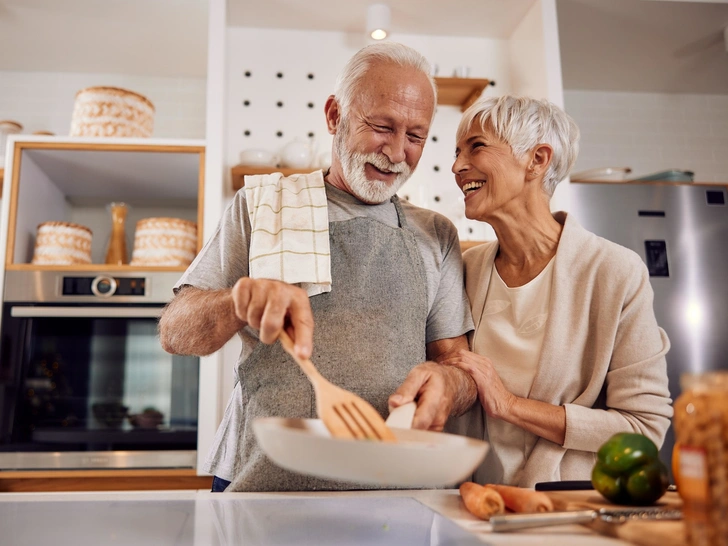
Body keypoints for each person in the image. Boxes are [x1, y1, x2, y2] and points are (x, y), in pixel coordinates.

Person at [158, 42, 477, 492]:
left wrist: (450, 382)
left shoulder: (436, 234)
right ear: (334, 116)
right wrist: (236, 302)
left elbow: (459, 367)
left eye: (416, 136)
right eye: (382, 126)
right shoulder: (261, 207)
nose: (397, 152)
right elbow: (175, 332)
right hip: (262, 483)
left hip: (393, 492)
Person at [441, 95, 673, 487]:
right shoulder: (466, 269)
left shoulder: (613, 272)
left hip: (564, 507)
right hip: (472, 502)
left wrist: (511, 406)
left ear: (537, 159)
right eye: (457, 152)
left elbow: (642, 429)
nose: (457, 166)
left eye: (476, 146)